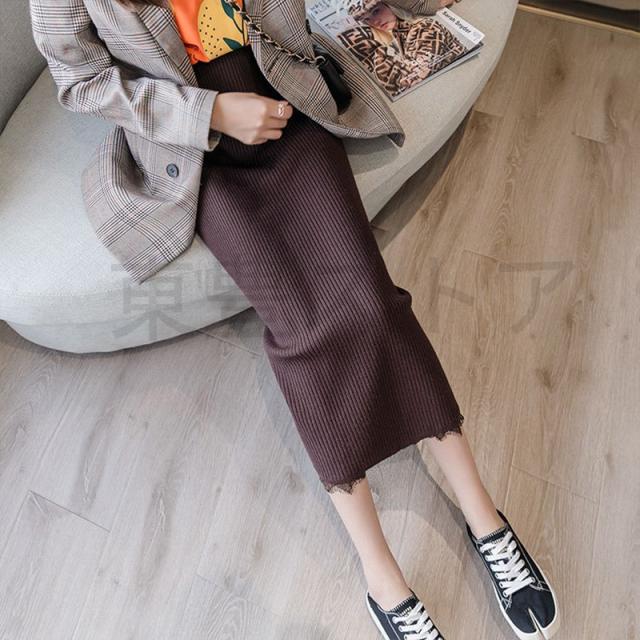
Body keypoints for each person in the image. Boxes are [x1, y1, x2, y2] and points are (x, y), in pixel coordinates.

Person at [29, 0, 560, 637]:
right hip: (191, 149)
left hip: (284, 99)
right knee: (306, 332)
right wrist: (212, 113)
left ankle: (486, 520)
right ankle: (382, 577)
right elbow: (81, 80)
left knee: (372, 305)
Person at [340, 0, 466, 97]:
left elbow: (411, 81)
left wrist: (371, 52)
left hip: (454, 85)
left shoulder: (424, 28)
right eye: (367, 19)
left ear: (392, 5)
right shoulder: (401, 33)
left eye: (376, 11)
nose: (375, 22)